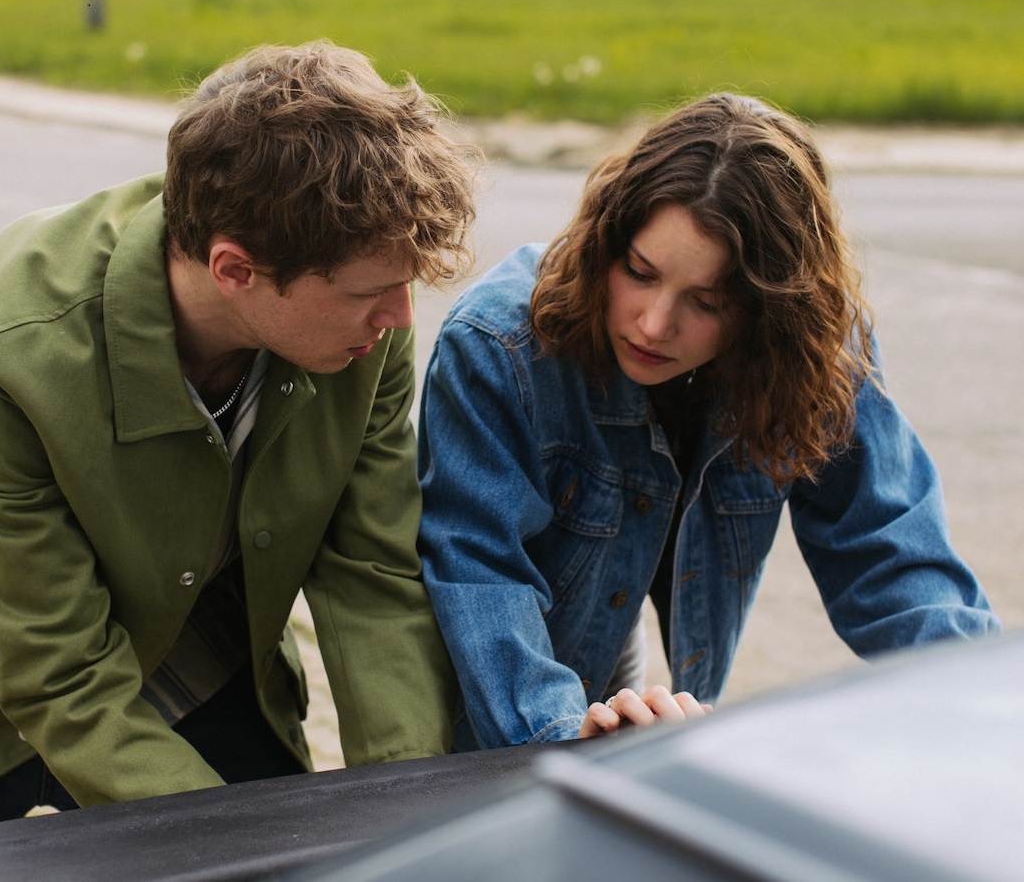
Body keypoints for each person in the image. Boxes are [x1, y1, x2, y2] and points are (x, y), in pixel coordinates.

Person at [0, 41, 476, 864]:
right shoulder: (8, 343)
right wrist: (225, 849)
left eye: (405, 283)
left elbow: (372, 577)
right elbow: (58, 670)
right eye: (367, 292)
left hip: (194, 660)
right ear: (235, 268)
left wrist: (412, 816)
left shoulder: (367, 331)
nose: (397, 316)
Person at [416, 92, 999, 752]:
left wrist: (989, 706)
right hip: (494, 696)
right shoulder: (500, 344)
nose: (654, 323)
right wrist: (556, 731)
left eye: (706, 301)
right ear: (605, 242)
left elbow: (891, 553)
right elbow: (480, 565)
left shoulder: (813, 351)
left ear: (766, 310)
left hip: (616, 669)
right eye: (639, 272)